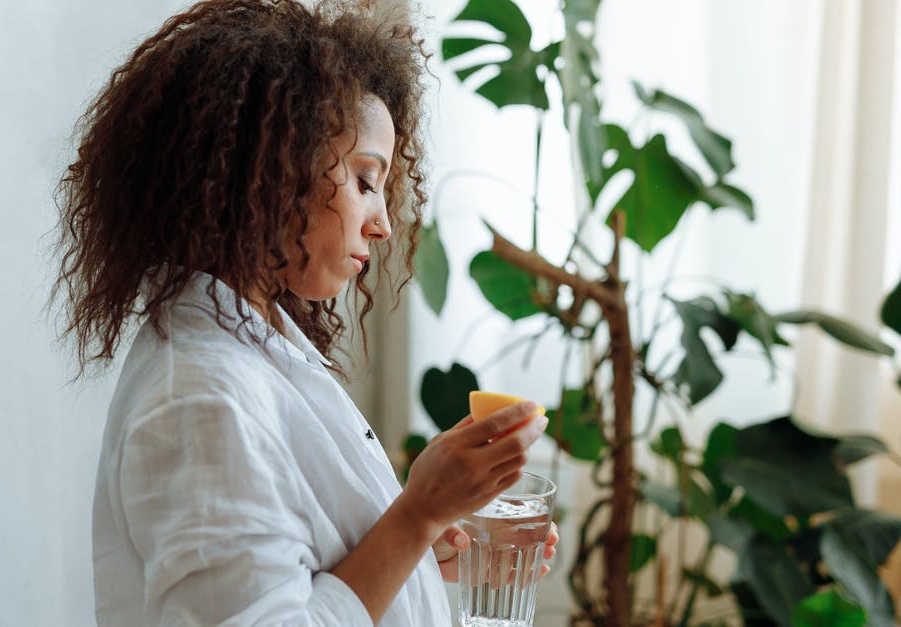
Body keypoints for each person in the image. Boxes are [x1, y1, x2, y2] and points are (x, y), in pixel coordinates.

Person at [51, 1, 558, 624]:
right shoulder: (199, 399)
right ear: (273, 169)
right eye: (365, 180)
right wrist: (416, 514)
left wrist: (420, 552)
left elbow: (303, 574)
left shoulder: (256, 343)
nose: (382, 223)